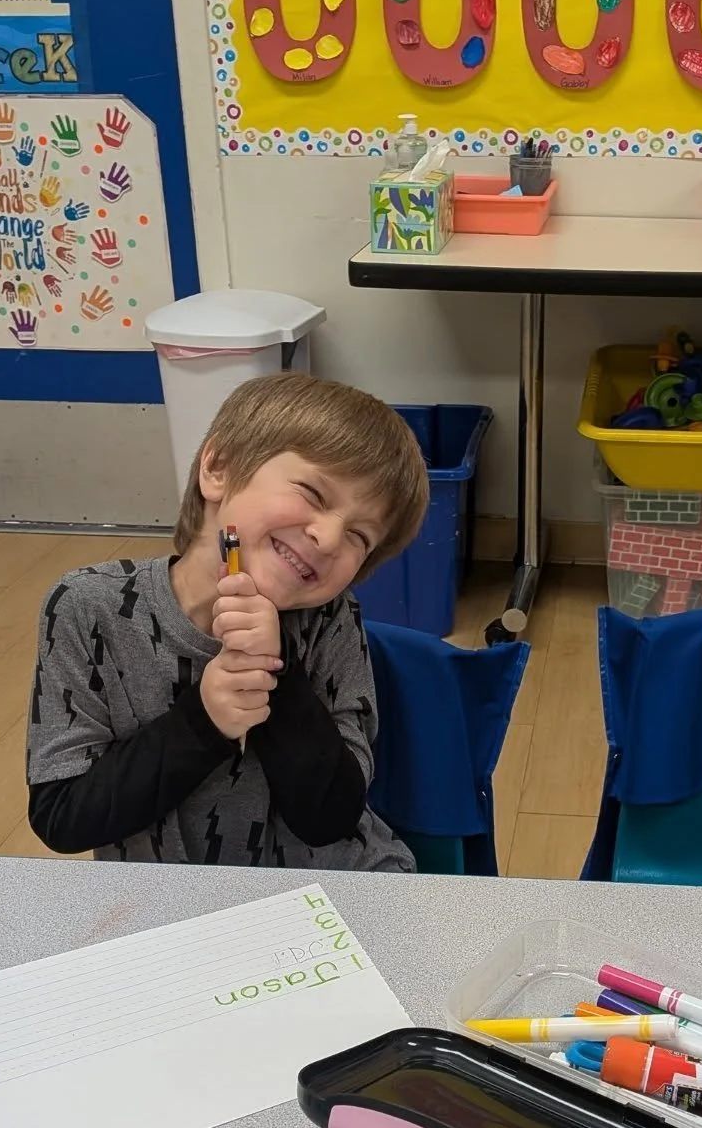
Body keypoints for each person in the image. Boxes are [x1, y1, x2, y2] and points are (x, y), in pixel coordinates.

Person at [26, 373, 429, 871]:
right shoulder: (88, 607)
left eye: (359, 537)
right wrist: (205, 720)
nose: (327, 538)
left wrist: (274, 670)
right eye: (313, 493)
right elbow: (63, 817)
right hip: (165, 901)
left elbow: (331, 818)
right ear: (218, 468)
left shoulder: (331, 618)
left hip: (325, 892)